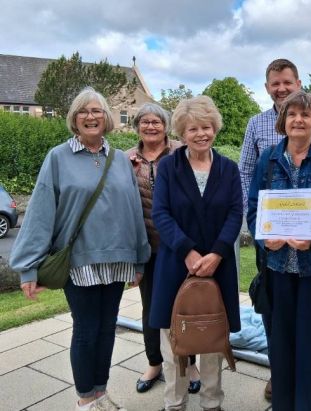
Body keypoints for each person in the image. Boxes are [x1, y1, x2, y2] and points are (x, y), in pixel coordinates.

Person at [10, 87, 151, 411]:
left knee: (106, 330)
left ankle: (100, 393)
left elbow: (132, 211)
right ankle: (85, 400)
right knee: (86, 331)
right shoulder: (58, 157)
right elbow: (42, 212)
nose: (91, 116)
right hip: (79, 262)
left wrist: (140, 259)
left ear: (106, 118)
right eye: (84, 111)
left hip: (116, 260)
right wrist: (28, 267)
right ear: (75, 118)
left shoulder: (118, 160)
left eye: (98, 111)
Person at [238, 58, 311, 400]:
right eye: (292, 115)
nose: (298, 120)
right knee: (279, 346)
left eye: (305, 115)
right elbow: (254, 207)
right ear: (282, 122)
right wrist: (266, 239)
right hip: (276, 266)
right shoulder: (267, 157)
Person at [149, 96, 242, 411]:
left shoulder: (228, 169)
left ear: (214, 127)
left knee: (213, 336)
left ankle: (212, 401)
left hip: (218, 266)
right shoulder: (168, 168)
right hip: (176, 263)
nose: (201, 134)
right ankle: (174, 402)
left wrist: (216, 254)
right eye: (193, 129)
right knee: (172, 339)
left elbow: (234, 213)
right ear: (181, 133)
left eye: (206, 127)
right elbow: (161, 214)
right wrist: (188, 251)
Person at [126, 103, 202, 395]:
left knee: (185, 307)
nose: (151, 127)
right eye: (145, 122)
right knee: (151, 309)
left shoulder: (182, 153)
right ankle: (154, 362)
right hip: (147, 247)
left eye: (156, 121)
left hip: (180, 246)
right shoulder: (127, 160)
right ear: (137, 127)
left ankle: (189, 362)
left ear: (166, 126)